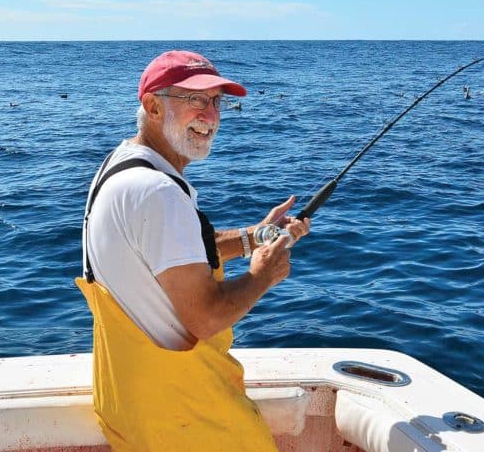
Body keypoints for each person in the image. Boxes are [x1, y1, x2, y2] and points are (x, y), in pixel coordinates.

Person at [76, 50, 310, 452]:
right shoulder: (158, 193)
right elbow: (206, 317)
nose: (211, 115)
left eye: (217, 102)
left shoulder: (121, 167)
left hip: (136, 413)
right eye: (195, 99)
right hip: (193, 424)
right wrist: (262, 275)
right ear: (152, 106)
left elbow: (174, 255)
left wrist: (257, 235)